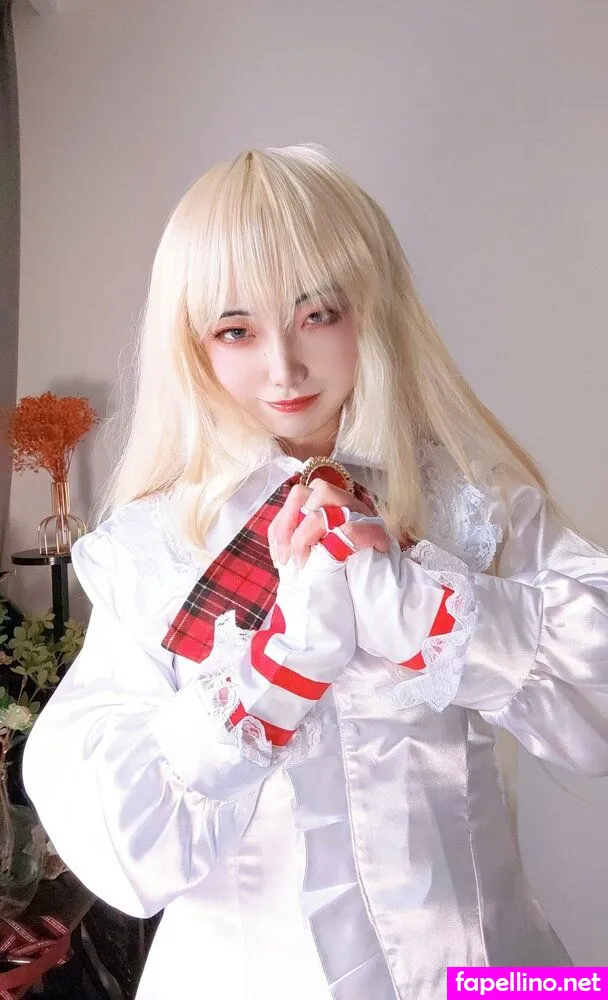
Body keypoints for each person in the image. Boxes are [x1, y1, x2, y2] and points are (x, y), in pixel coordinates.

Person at [23, 144, 608, 1000]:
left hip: (487, 976)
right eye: (236, 330)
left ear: (373, 308)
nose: (284, 368)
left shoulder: (475, 506)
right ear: (192, 342)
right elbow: (119, 852)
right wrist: (267, 681)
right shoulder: (153, 551)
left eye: (318, 314)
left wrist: (434, 611)